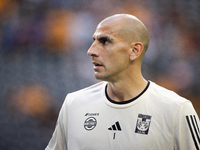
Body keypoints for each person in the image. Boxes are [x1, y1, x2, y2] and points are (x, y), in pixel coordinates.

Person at [45, 14, 200, 150]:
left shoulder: (177, 110)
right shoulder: (73, 104)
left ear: (134, 51)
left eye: (104, 41)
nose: (91, 50)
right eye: (94, 41)